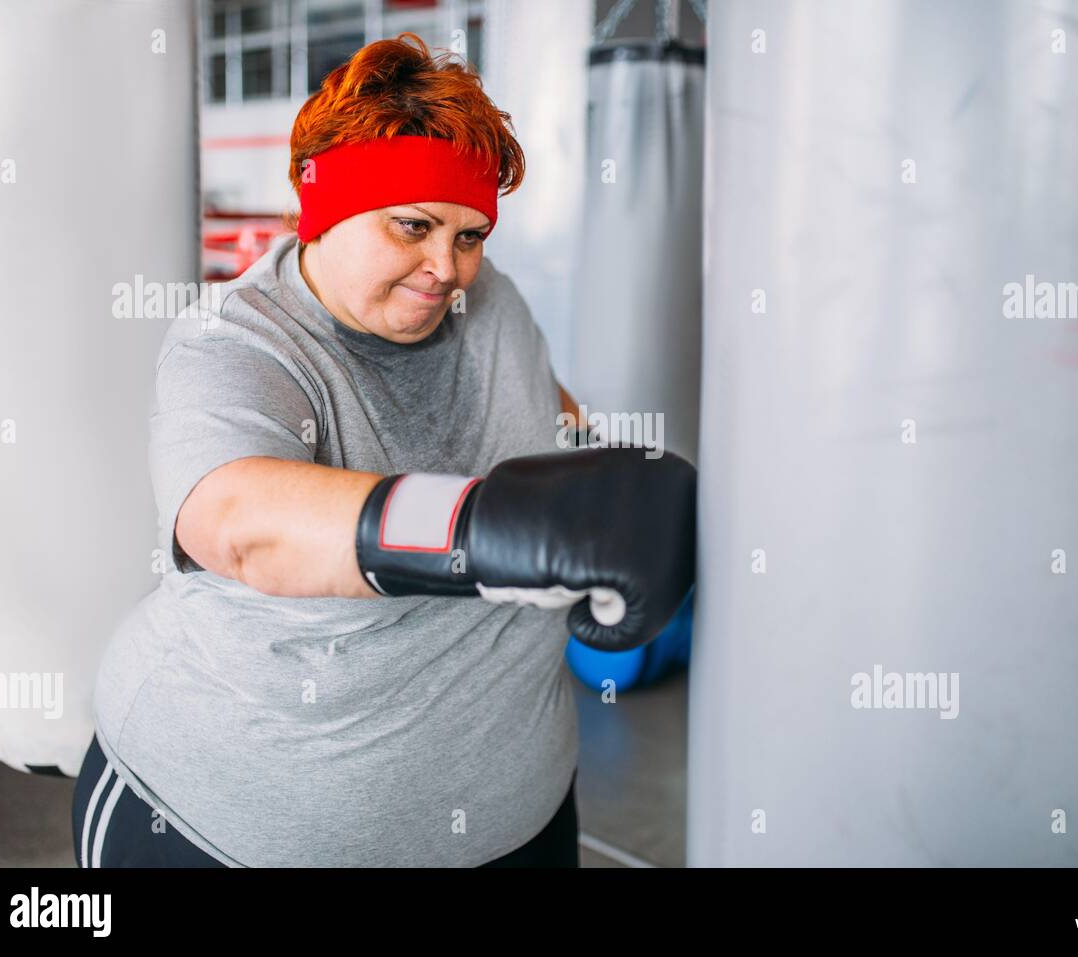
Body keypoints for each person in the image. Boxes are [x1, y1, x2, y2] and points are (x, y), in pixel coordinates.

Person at [72, 33, 694, 868]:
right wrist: (481, 528)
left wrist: (618, 489)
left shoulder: (489, 302)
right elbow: (237, 520)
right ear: (327, 211)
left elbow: (547, 419)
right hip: (224, 830)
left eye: (470, 235)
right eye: (414, 225)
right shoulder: (239, 341)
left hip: (522, 816)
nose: (448, 267)